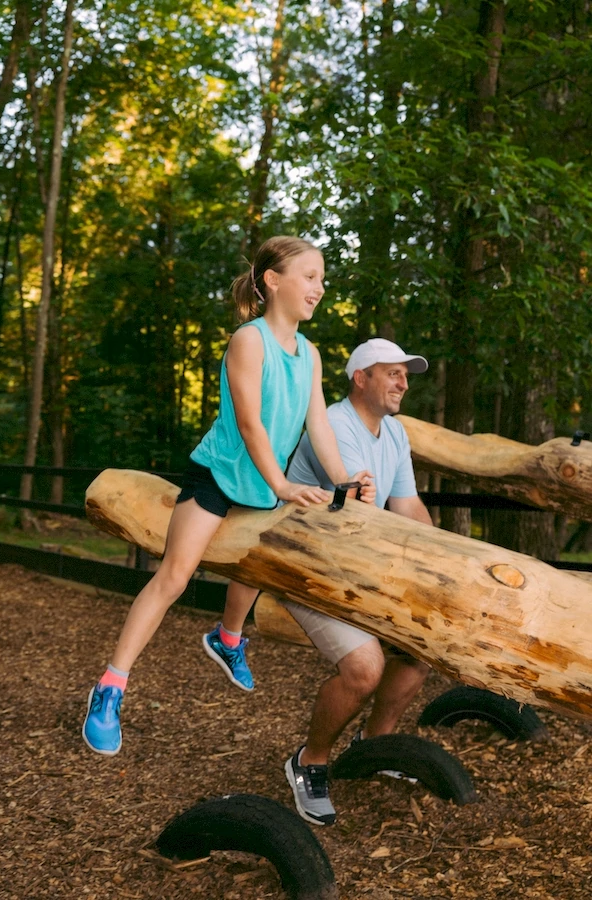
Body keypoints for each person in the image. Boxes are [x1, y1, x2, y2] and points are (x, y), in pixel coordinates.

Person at [82, 235, 374, 756]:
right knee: (173, 577)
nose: (320, 288)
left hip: (264, 487)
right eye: (310, 276)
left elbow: (318, 429)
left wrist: (344, 479)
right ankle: (109, 688)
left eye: (323, 279)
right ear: (273, 280)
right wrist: (283, 484)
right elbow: (250, 423)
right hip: (218, 476)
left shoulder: (309, 355)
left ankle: (228, 637)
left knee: (252, 568)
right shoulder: (249, 340)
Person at [281, 337, 433, 826]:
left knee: (420, 648)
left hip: (359, 568)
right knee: (365, 669)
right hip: (306, 566)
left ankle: (373, 748)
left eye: (406, 375)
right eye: (393, 373)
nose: (403, 383)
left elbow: (408, 508)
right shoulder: (335, 425)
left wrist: (440, 566)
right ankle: (310, 762)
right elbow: (360, 519)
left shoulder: (394, 432)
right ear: (361, 378)